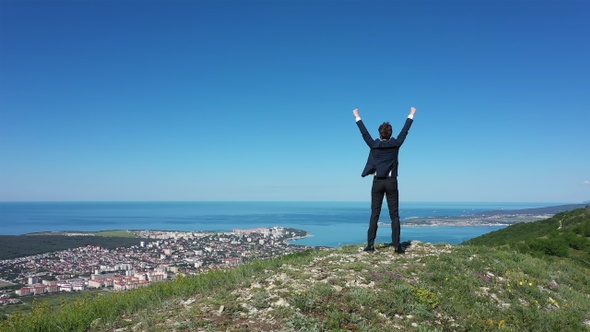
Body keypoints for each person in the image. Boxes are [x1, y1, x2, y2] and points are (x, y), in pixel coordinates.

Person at [353, 107, 416, 253]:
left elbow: (364, 133)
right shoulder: (396, 144)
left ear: (380, 134)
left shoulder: (374, 145)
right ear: (390, 133)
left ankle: (370, 245)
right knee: (394, 215)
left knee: (375, 214)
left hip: (377, 182)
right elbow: (405, 131)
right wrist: (411, 115)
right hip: (391, 181)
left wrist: (357, 116)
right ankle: (397, 246)